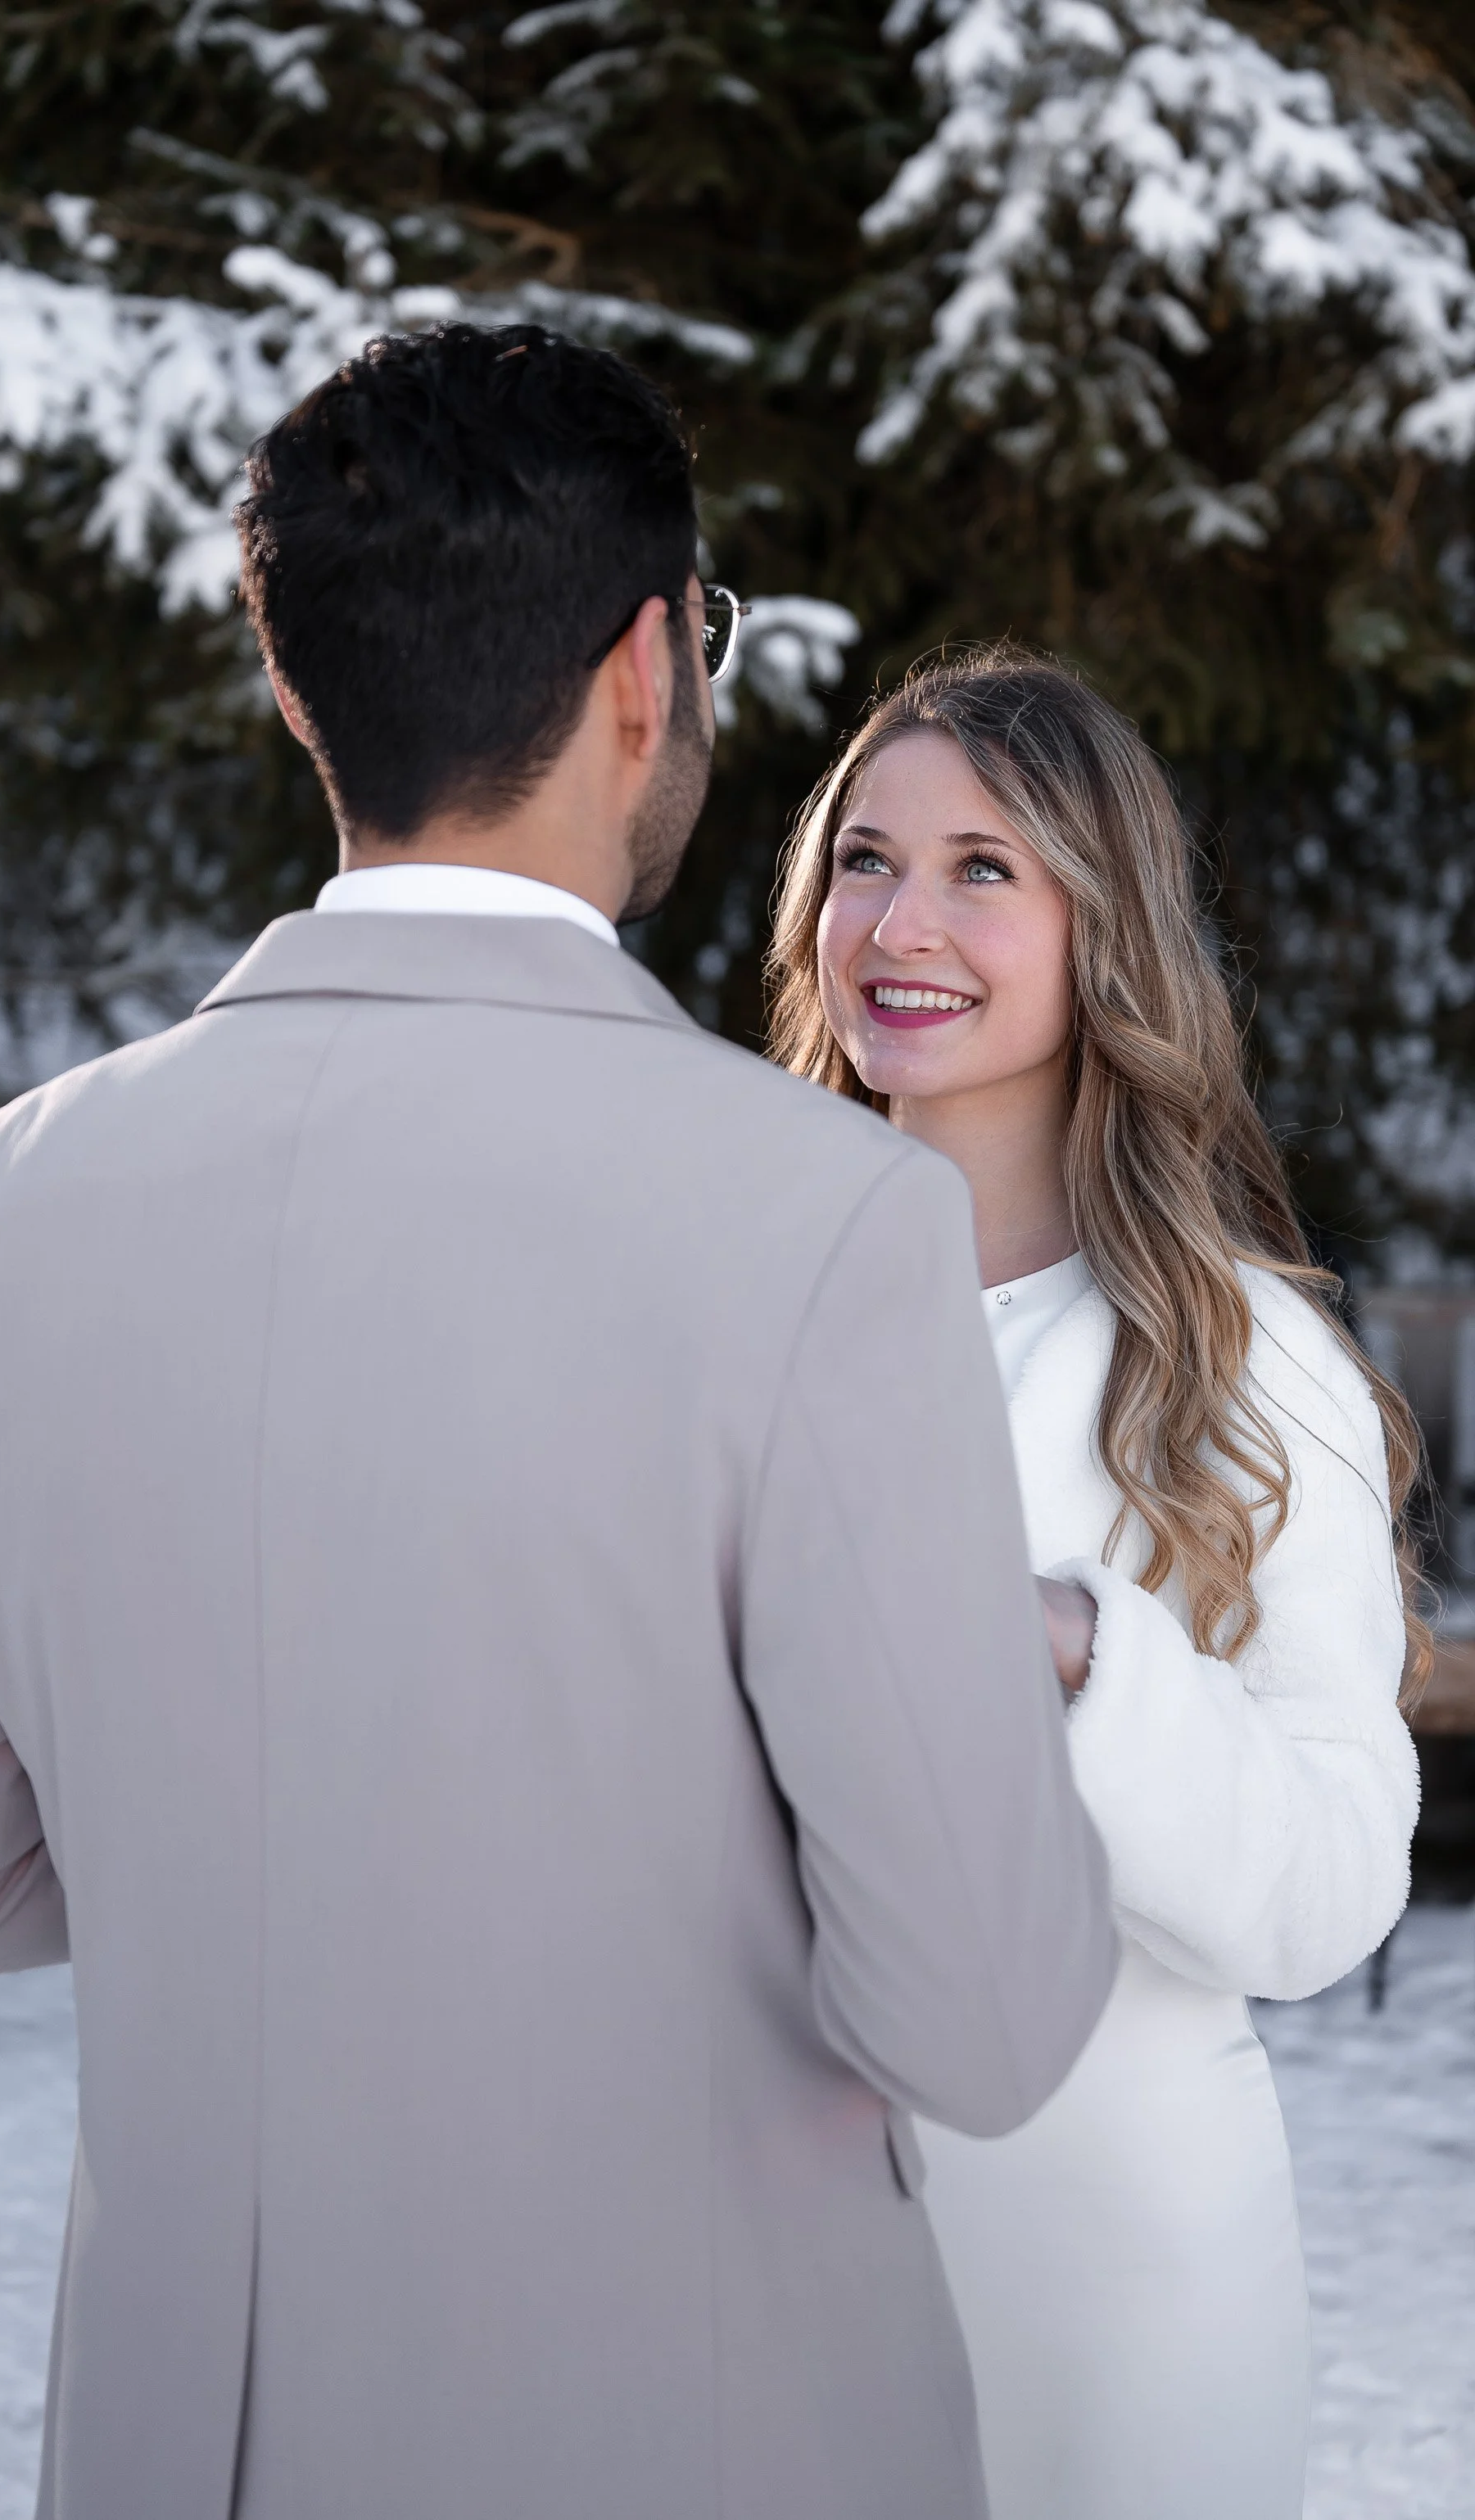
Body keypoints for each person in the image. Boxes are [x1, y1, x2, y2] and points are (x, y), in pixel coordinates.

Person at [0, 332, 1116, 2520]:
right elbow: (984, 2014)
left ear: (296, 682)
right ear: (648, 666)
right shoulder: (822, 1214)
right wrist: (1004, 1668)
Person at [768, 642, 1425, 2520]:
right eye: (865, 859)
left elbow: (1323, 1898)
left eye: (987, 867)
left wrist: (1082, 1654)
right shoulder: (719, 1308)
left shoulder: (1242, 1366)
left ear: (1106, 929)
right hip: (749, 2268)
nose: (902, 919)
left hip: (1114, 2302)